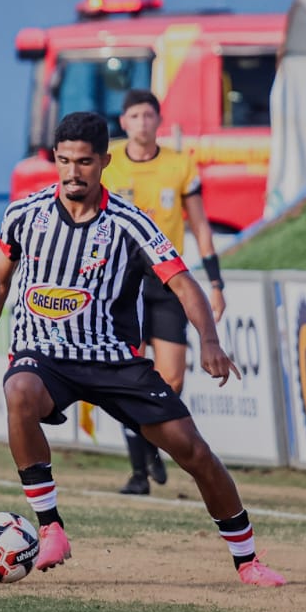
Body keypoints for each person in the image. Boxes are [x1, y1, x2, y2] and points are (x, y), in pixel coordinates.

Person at [0, 111, 285, 587]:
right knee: (20, 393)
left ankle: (248, 560)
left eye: (85, 162)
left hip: (113, 361)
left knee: (195, 454)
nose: (73, 172)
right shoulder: (22, 216)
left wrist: (210, 341)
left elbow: (182, 282)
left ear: (104, 163)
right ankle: (51, 527)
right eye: (64, 161)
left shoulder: (130, 224)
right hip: (43, 354)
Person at [102, 89, 227, 495]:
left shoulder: (179, 165)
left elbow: (200, 225)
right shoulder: (108, 163)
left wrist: (215, 281)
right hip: (121, 283)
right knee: (129, 372)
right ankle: (139, 473)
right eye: (134, 115)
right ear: (124, 122)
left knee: (171, 378)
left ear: (158, 121)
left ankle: (151, 442)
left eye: (148, 115)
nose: (142, 122)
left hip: (167, 280)